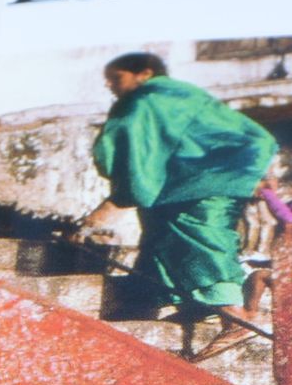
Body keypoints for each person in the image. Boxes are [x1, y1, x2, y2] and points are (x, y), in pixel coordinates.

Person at [81, 51, 280, 362]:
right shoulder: (187, 95)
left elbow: (133, 155)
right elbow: (250, 137)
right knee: (164, 240)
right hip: (218, 181)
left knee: (197, 240)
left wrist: (113, 204)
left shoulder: (145, 100)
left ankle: (234, 317)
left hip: (195, 186)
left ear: (144, 74)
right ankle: (196, 307)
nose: (109, 85)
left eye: (116, 78)